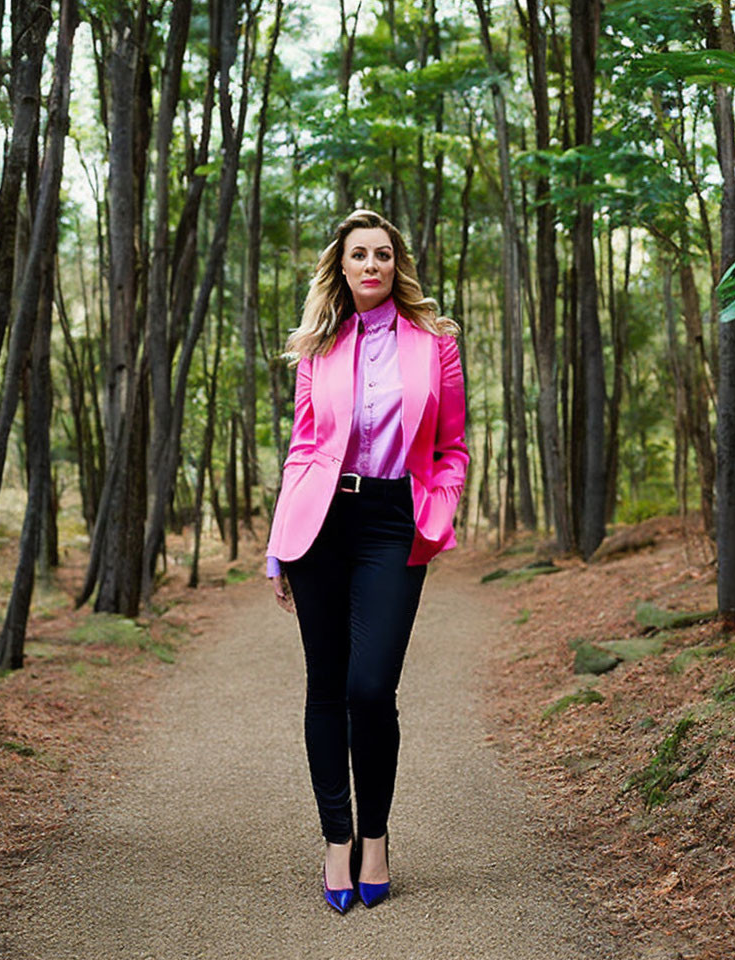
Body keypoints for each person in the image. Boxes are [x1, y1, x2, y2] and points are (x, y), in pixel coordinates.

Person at [265, 209, 468, 914]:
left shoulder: (434, 344)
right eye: (359, 255)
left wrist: (434, 513)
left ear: (397, 264)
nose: (372, 265)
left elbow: (453, 448)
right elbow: (301, 446)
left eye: (383, 254)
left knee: (371, 687)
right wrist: (278, 546)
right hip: (321, 521)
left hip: (392, 522)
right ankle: (335, 842)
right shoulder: (318, 346)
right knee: (326, 686)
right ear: (342, 266)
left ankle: (375, 837)